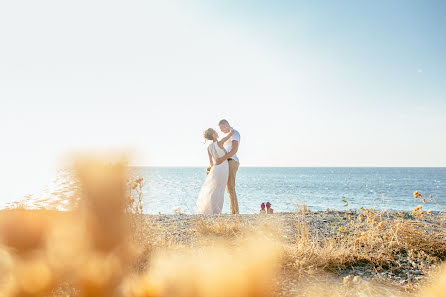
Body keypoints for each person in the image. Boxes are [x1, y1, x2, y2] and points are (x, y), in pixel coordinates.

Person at [196, 128, 235, 214]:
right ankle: (217, 211)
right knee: (221, 189)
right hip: (223, 167)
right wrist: (231, 130)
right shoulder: (220, 142)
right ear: (213, 134)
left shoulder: (209, 147)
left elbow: (211, 161)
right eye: (215, 131)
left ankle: (211, 209)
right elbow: (230, 134)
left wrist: (211, 170)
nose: (217, 132)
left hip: (215, 168)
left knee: (214, 189)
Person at [215, 119, 240, 214]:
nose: (221, 130)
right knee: (228, 187)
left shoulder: (235, 133)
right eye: (220, 129)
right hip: (227, 161)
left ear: (227, 125)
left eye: (222, 128)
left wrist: (222, 159)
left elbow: (234, 150)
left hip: (232, 161)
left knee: (231, 186)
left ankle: (235, 212)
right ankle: (233, 211)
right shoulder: (228, 135)